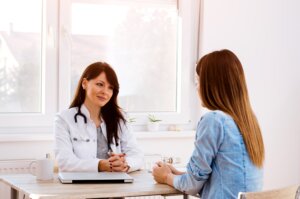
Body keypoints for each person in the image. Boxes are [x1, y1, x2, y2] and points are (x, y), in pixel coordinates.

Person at [152, 49, 264, 198]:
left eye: (198, 82)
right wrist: (179, 175)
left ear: (211, 85)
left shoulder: (214, 120)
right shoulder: (249, 121)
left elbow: (191, 186)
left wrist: (166, 177)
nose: (197, 88)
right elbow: (223, 178)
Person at [54, 62, 143, 173]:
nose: (105, 92)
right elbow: (65, 162)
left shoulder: (120, 118)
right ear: (85, 83)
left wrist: (124, 165)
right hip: (80, 187)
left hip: (117, 186)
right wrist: (100, 165)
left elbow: (137, 156)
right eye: (100, 84)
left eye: (110, 88)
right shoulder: (64, 119)